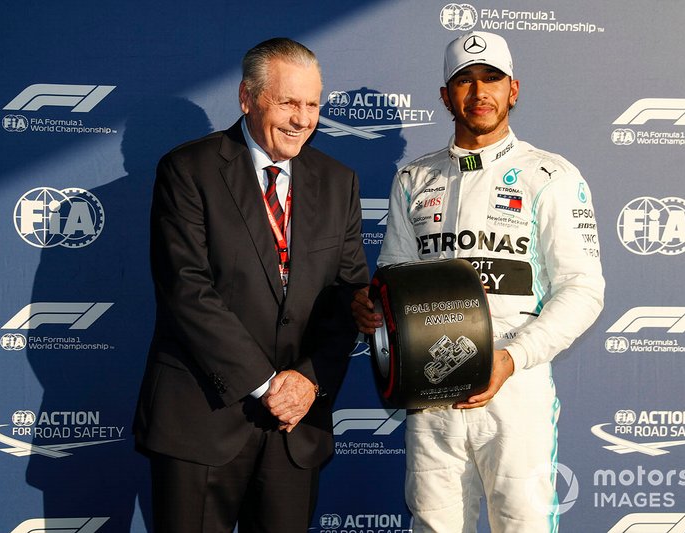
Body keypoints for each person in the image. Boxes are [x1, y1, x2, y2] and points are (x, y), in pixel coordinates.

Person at [352, 31, 604, 532]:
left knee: (522, 525)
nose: (478, 92)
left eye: (491, 78)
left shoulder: (550, 176)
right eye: (463, 81)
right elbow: (394, 281)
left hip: (515, 385)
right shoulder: (414, 179)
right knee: (434, 525)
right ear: (445, 97)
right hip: (429, 392)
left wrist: (513, 359)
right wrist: (372, 310)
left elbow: (583, 290)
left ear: (514, 89)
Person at [134, 37, 369, 533]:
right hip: (201, 424)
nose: (302, 119)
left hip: (295, 428)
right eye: (287, 102)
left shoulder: (338, 180)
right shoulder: (188, 170)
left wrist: (307, 380)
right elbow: (187, 290)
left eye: (312, 104)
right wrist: (268, 385)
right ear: (247, 98)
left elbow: (348, 295)